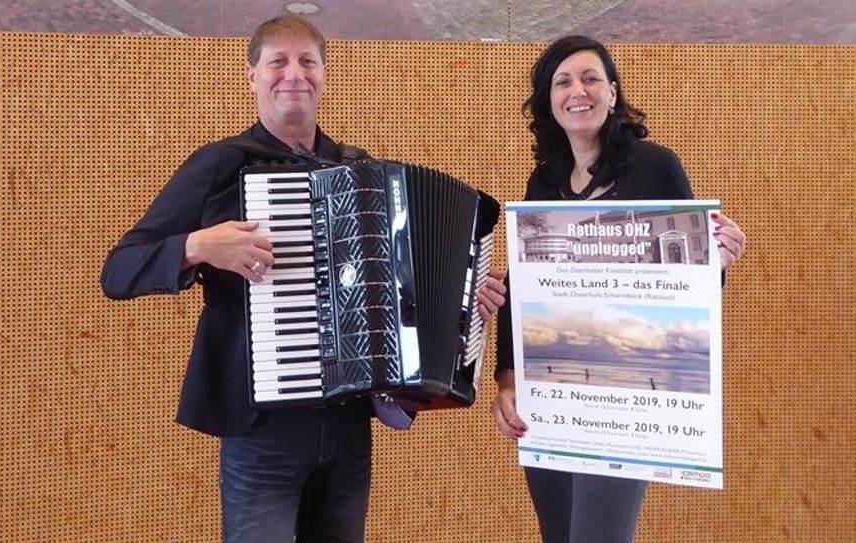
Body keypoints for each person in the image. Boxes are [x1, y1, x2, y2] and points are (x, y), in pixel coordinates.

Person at [100, 15, 506, 543]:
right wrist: (198, 246)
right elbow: (120, 269)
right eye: (278, 61)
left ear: (324, 74)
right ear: (252, 77)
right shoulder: (222, 165)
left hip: (349, 427)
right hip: (263, 430)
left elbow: (400, 293)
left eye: (307, 61)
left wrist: (462, 295)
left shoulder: (361, 172)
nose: (294, 73)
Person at [490, 35, 746, 543]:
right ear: (548, 101)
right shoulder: (544, 182)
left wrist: (719, 259)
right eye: (562, 82)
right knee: (558, 535)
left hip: (625, 404)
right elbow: (521, 285)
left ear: (612, 91)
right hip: (552, 397)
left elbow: (693, 282)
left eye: (589, 78)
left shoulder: (654, 166)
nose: (577, 91)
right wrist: (507, 376)